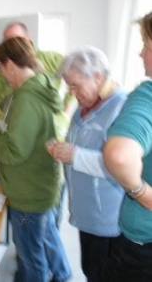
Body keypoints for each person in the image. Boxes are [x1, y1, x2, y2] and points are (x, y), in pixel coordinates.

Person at [0, 37, 71, 282]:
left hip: (29, 193)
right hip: (40, 186)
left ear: (11, 65)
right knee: (44, 237)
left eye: (0, 67)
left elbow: (14, 151)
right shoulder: (35, 89)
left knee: (30, 256)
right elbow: (20, 135)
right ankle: (64, 275)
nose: (0, 74)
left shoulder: (26, 98)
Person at [0, 21, 72, 227]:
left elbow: (13, 150)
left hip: (38, 178)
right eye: (8, 41)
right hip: (32, 177)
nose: (1, 68)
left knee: (40, 236)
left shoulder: (34, 85)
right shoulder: (11, 81)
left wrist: (67, 108)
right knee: (43, 239)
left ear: (29, 43)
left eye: (16, 41)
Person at [46, 46, 126, 282]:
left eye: (75, 86)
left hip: (107, 218)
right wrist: (61, 150)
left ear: (98, 78)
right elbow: (79, 144)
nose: (72, 93)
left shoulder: (121, 108)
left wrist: (75, 156)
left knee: (103, 274)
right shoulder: (84, 106)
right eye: (69, 86)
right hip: (87, 215)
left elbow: (122, 165)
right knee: (90, 270)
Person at [101, 11, 152, 282]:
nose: (141, 53)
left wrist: (141, 193)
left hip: (142, 251)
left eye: (145, 44)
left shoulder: (149, 95)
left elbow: (119, 155)